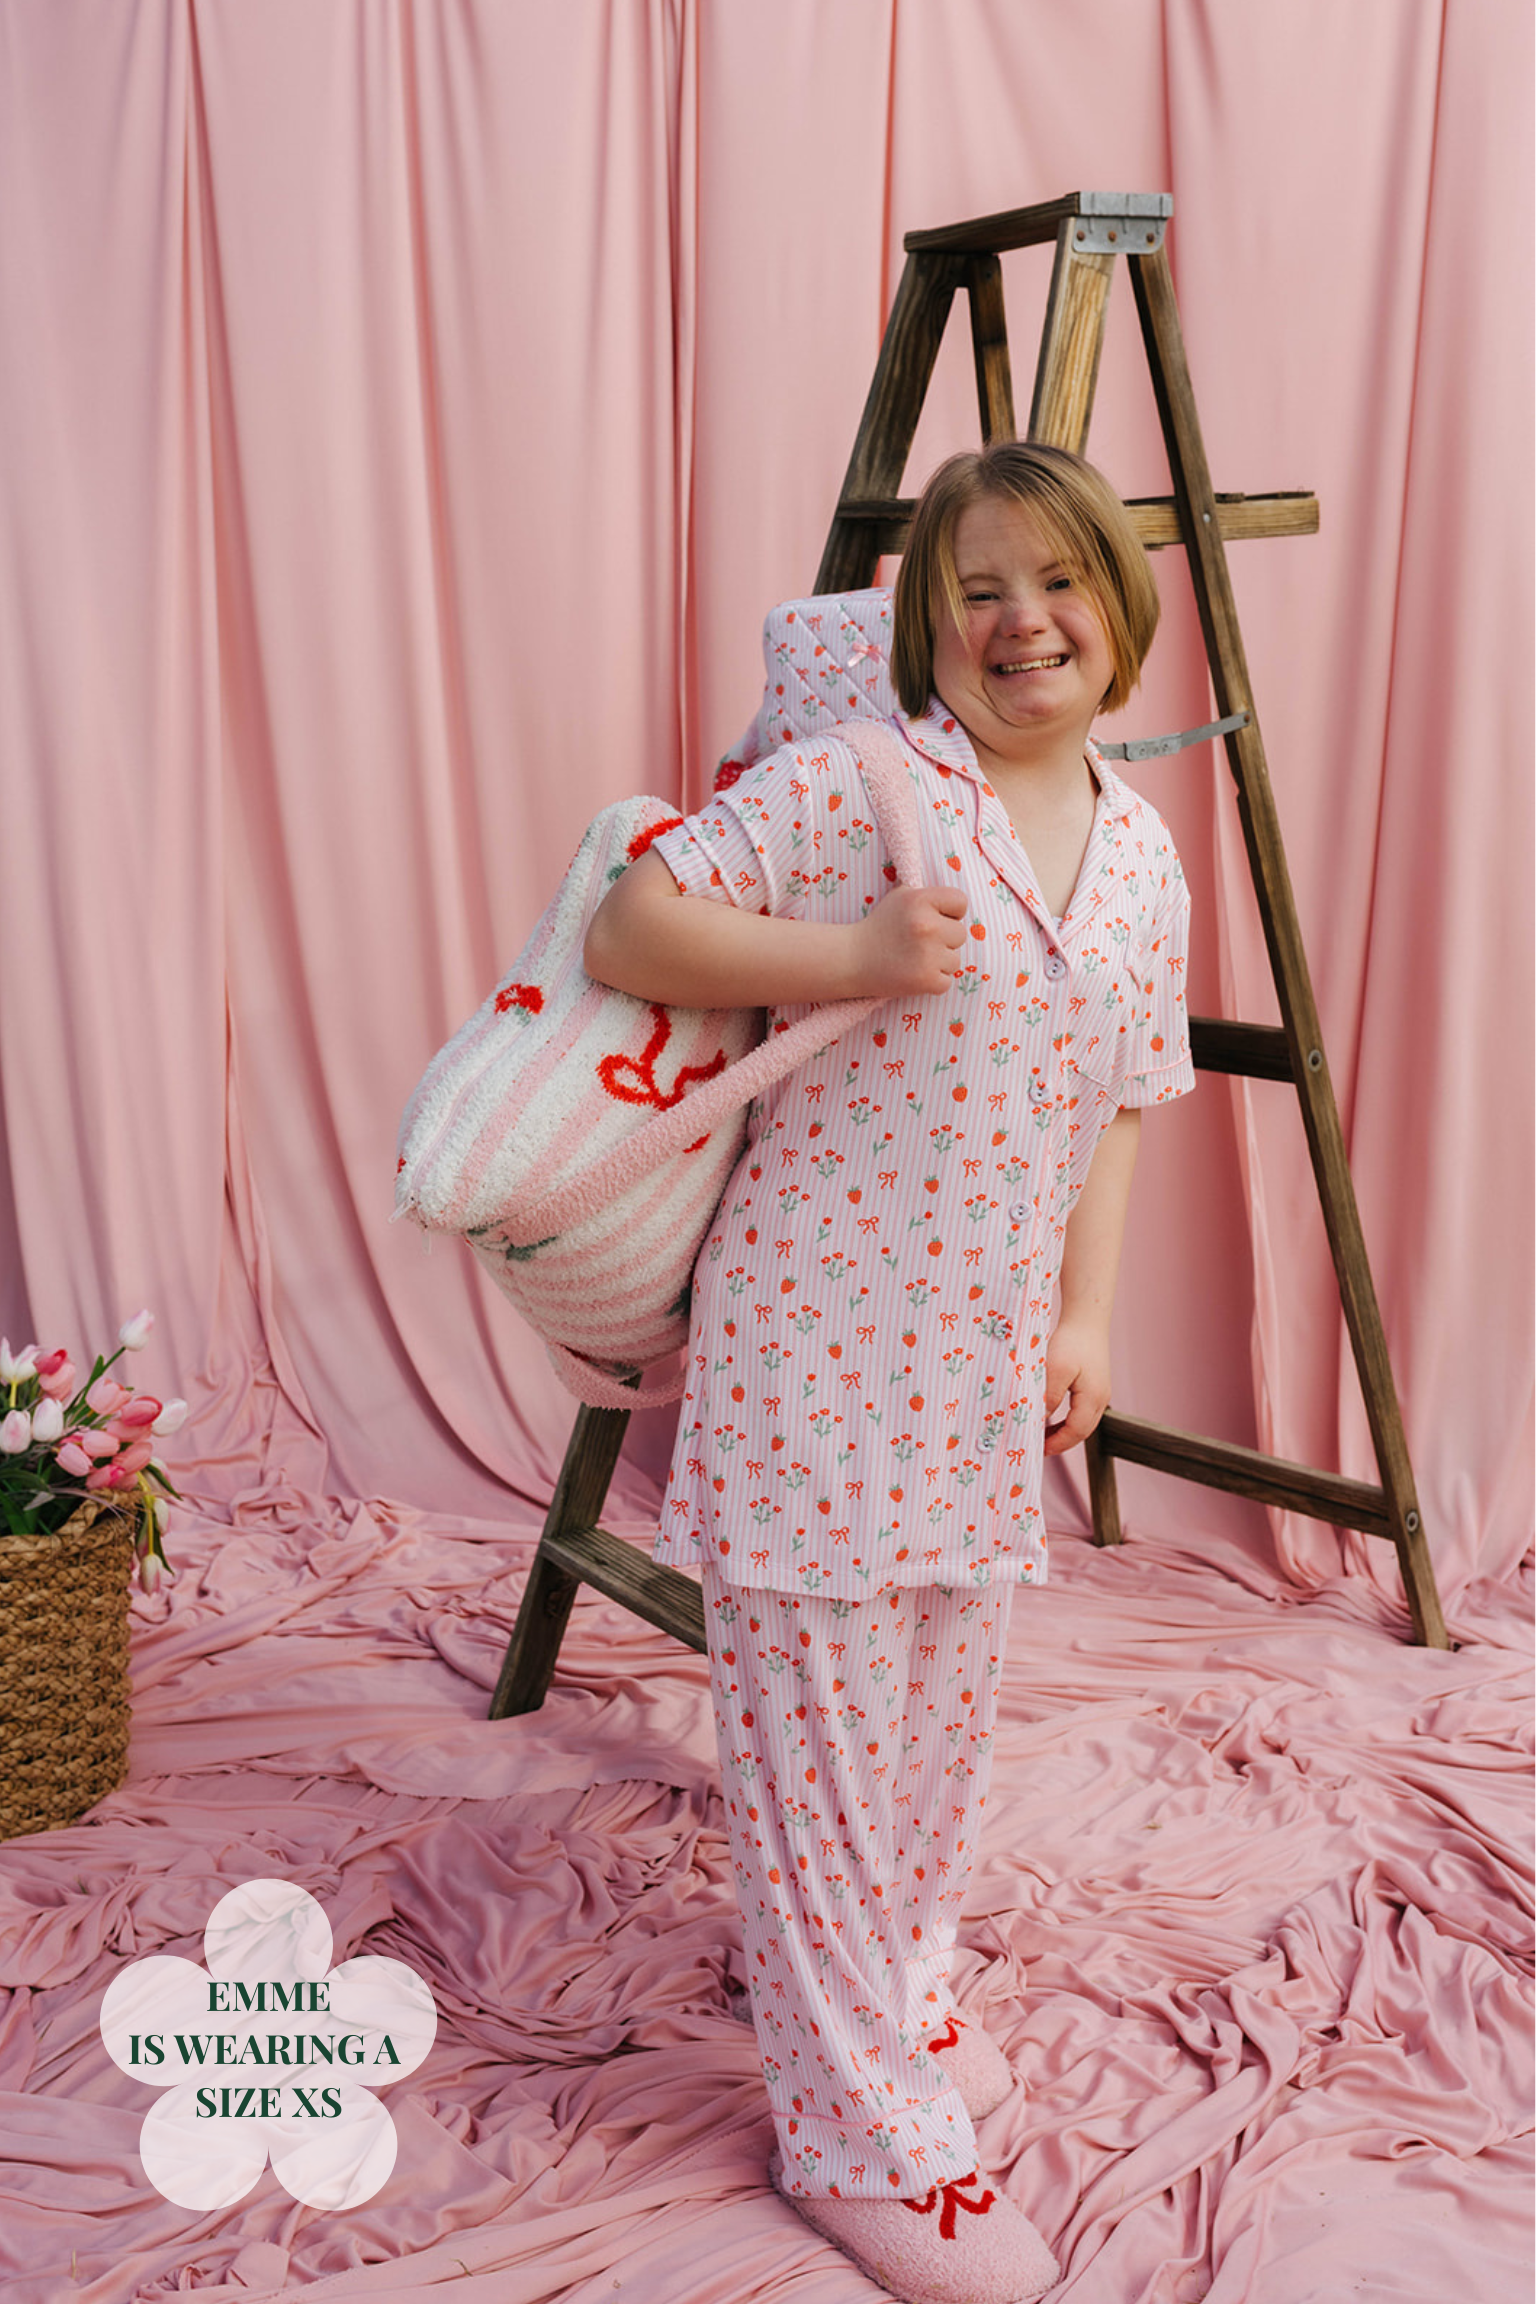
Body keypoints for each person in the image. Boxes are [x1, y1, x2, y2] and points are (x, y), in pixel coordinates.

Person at [584, 441, 1193, 2304]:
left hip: (983, 1368)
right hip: (813, 1350)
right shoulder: (865, 787)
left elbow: (1121, 1102)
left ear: (1121, 611)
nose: (1024, 622)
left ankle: (885, 1983)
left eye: (1060, 583)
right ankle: (857, 2133)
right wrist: (845, 950)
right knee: (821, 1743)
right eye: (979, 588)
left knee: (930, 1727)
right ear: (929, 621)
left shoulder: (1144, 848)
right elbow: (630, 921)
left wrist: (1086, 1321)